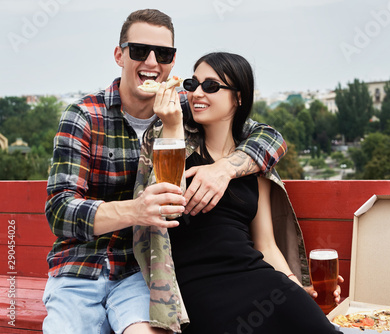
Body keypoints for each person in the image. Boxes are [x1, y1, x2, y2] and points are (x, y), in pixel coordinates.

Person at [43, 9, 288, 334]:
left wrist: (224, 170)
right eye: (140, 51)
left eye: (164, 53)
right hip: (80, 268)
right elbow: (60, 211)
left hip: (143, 271)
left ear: (173, 61)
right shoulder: (84, 116)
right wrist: (136, 210)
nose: (152, 62)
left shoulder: (188, 111)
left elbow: (269, 137)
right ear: (120, 55)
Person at [133, 52, 343, 333]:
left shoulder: (253, 164)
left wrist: (294, 283)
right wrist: (171, 127)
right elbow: (163, 207)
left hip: (261, 280)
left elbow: (266, 245)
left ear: (239, 97)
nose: (197, 93)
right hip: (196, 289)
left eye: (211, 86)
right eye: (192, 83)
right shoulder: (171, 141)